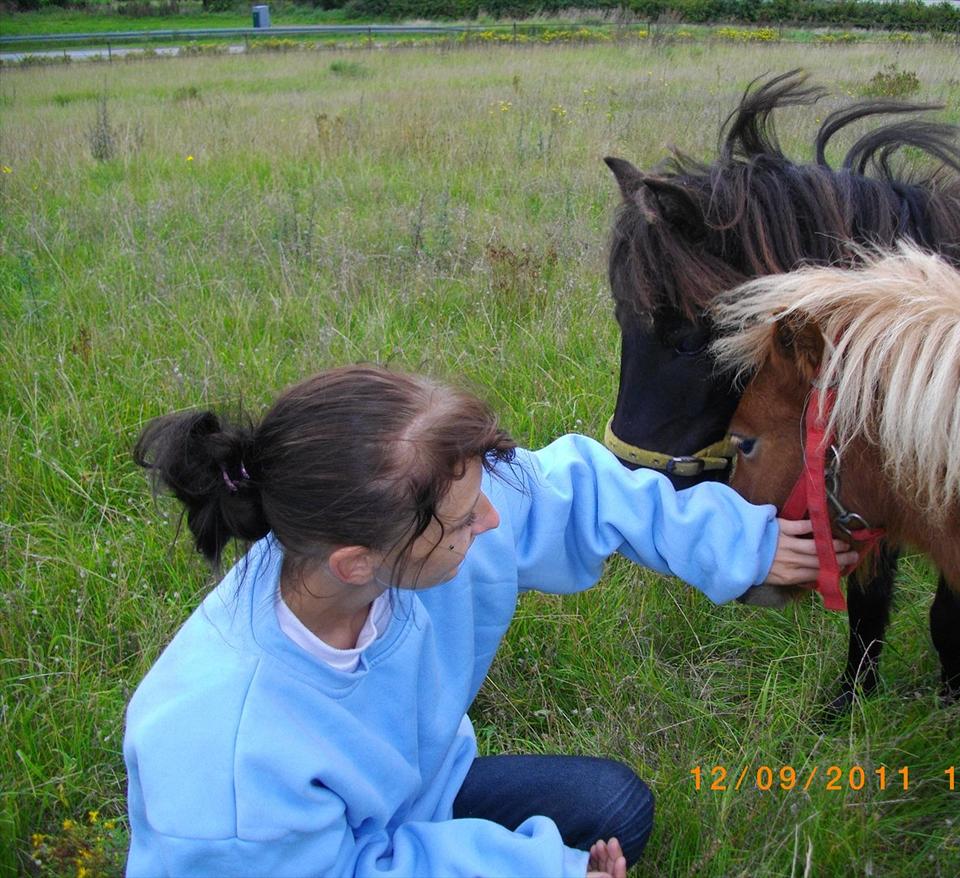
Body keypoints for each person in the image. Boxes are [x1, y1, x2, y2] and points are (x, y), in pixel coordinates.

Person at [125, 364, 857, 877]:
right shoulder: (228, 764)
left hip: (417, 794)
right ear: (358, 563)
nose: (493, 519)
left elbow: (569, 491)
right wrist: (539, 870)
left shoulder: (396, 521)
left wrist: (744, 545)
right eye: (464, 520)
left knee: (617, 808)